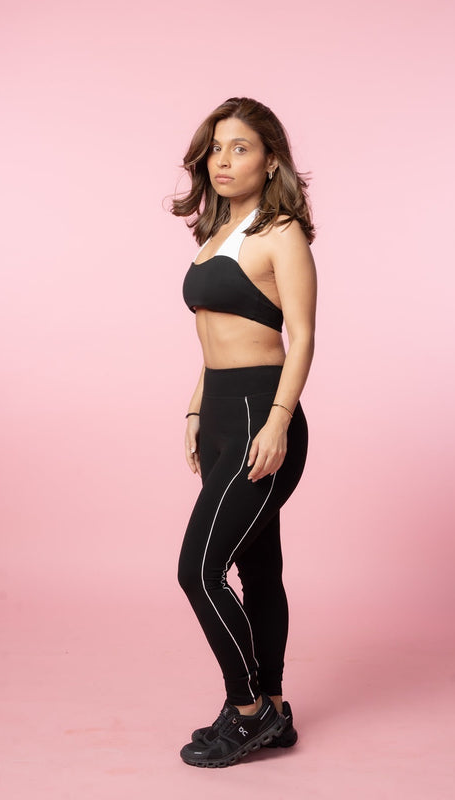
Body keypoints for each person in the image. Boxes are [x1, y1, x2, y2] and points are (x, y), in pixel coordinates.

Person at [171, 97, 317, 768]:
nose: (222, 160)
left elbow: (301, 337)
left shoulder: (280, 233)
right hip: (221, 416)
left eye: (240, 148)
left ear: (271, 161)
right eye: (216, 148)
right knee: (258, 568)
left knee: (199, 572)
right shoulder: (214, 234)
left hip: (264, 414)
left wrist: (280, 422)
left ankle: (247, 708)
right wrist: (196, 411)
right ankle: (275, 711)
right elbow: (213, 338)